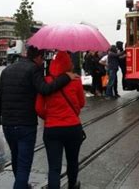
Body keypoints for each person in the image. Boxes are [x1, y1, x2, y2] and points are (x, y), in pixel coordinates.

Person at [0, 46, 77, 189]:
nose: (43, 61)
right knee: (24, 164)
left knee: (16, 158)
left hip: (7, 124)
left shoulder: (7, 70)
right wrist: (65, 77)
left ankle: (22, 184)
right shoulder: (33, 69)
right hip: (25, 124)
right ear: (37, 57)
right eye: (42, 58)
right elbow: (45, 89)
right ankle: (20, 185)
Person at [36, 51, 84, 189]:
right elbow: (81, 103)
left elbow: (39, 108)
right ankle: (72, 185)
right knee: (72, 161)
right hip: (73, 128)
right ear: (69, 64)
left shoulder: (45, 82)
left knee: (54, 166)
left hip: (52, 129)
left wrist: (49, 116)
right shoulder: (76, 80)